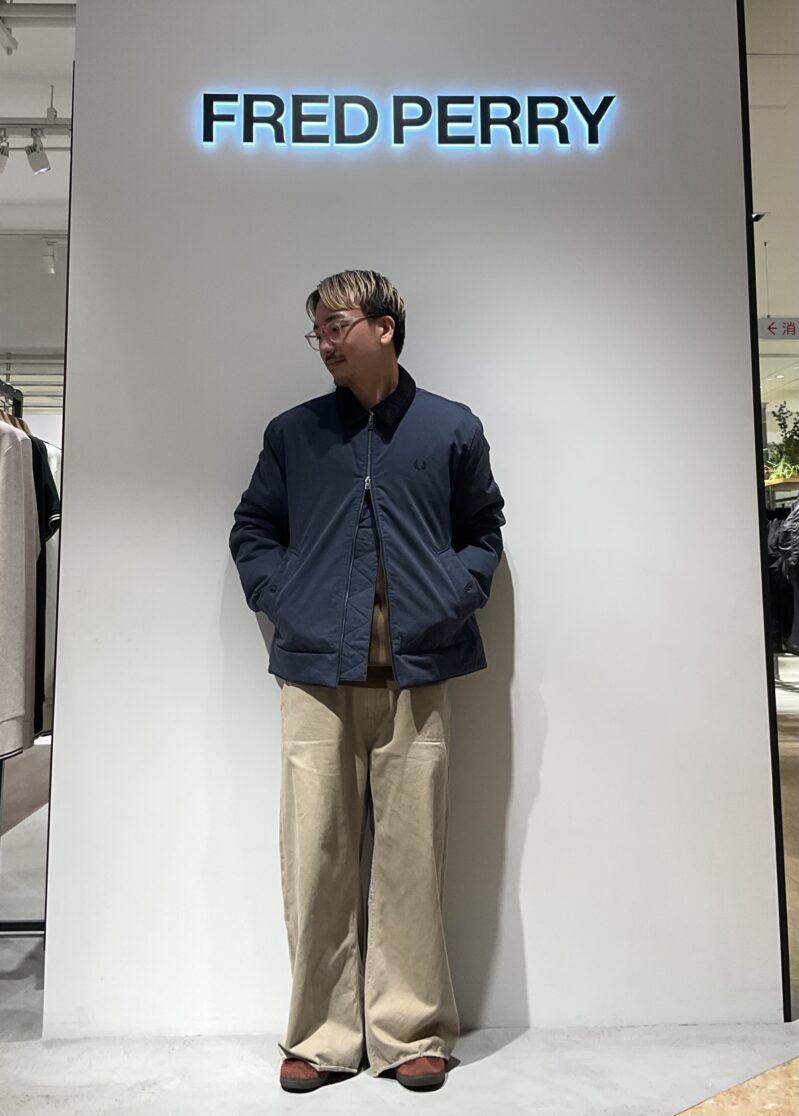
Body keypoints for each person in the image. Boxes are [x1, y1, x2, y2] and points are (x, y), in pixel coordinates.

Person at [229, 269, 505, 1093]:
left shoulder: (452, 428)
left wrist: (452, 595)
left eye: (336, 325)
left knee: (413, 858)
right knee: (315, 855)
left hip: (419, 673)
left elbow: (484, 529)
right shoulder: (295, 434)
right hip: (316, 675)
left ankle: (411, 1029)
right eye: (315, 330)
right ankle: (320, 1037)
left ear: (384, 327)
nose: (323, 342)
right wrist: (287, 601)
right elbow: (253, 528)